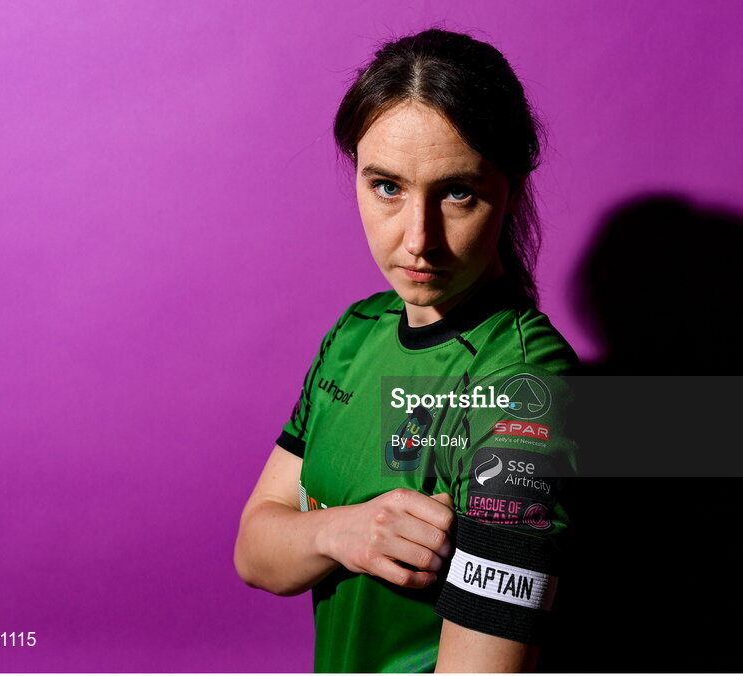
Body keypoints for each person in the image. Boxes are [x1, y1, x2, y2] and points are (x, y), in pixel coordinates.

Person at [234, 29, 578, 672]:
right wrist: (347, 532)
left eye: (457, 192)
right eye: (387, 186)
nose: (418, 239)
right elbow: (255, 553)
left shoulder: (527, 386)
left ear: (512, 188)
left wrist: (316, 532)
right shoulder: (354, 334)